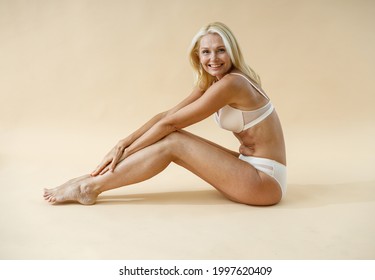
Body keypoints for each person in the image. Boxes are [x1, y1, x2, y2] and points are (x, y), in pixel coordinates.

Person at [43, 22, 286, 206]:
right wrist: (122, 143)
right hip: (248, 167)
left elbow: (170, 124)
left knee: (174, 142)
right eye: (206, 52)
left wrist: (127, 152)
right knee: (172, 140)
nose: (213, 59)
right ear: (197, 55)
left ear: (232, 52)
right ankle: (90, 181)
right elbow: (166, 115)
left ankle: (89, 186)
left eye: (220, 50)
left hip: (265, 181)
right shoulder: (213, 81)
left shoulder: (233, 84)